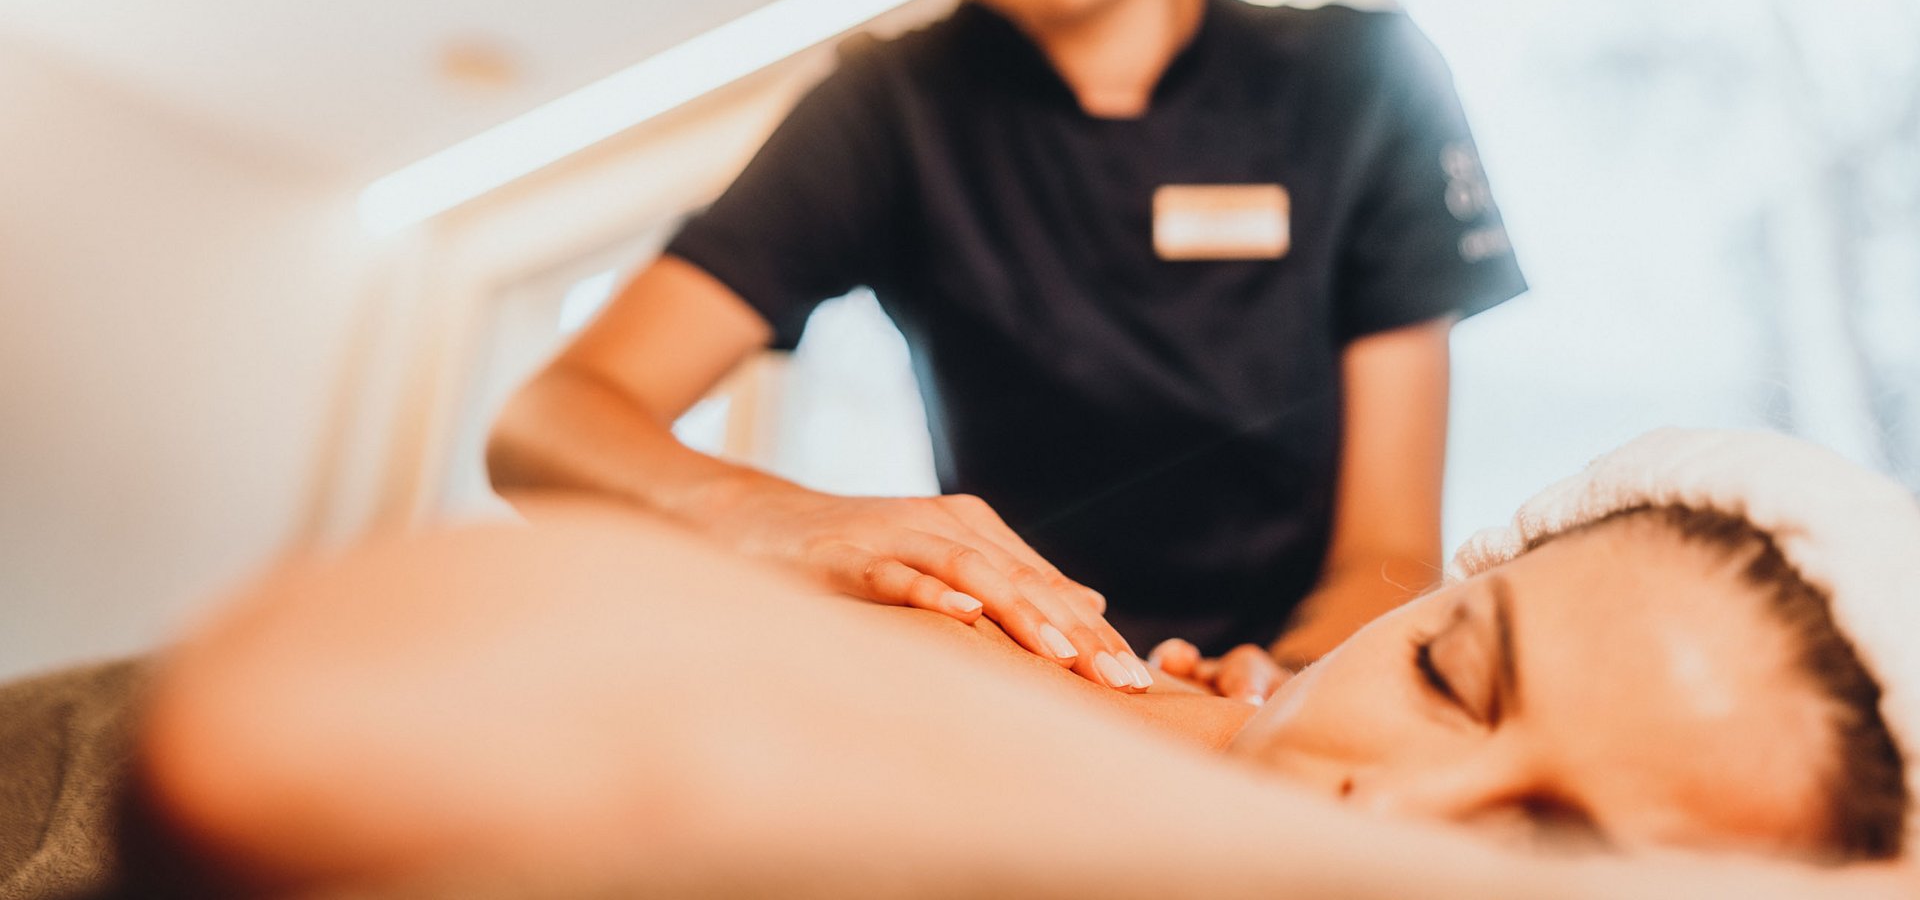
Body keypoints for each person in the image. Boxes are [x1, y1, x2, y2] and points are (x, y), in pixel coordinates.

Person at [484, 0, 1528, 703]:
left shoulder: (1360, 76)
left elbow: (1387, 551)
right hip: (1025, 696)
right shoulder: (886, 114)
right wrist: (780, 519)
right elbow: (546, 427)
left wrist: (1289, 685)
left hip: (1293, 683)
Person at [124, 430, 1920, 897]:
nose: (1417, 807)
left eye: (1563, 854)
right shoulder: (1080, 687)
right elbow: (299, 730)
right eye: (1451, 680)